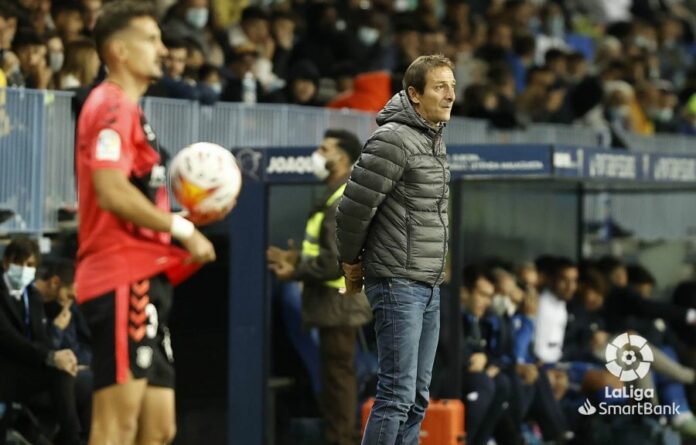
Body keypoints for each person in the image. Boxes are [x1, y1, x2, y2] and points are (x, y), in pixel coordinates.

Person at [74, 2, 226, 444]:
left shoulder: (133, 111)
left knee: (159, 430)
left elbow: (135, 199)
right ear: (119, 50)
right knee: (114, 426)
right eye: (151, 39)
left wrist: (191, 219)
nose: (162, 49)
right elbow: (109, 188)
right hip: (123, 278)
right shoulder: (110, 104)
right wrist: (182, 230)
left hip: (149, 278)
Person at [336, 54, 455, 444]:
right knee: (396, 396)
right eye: (440, 86)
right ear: (414, 95)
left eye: (452, 86)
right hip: (397, 282)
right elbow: (353, 209)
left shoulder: (431, 138)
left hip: (428, 284)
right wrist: (351, 264)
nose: (450, 94)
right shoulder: (393, 138)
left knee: (418, 398)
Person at [267, 129, 372, 445]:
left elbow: (333, 262)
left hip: (338, 307)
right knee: (335, 379)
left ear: (340, 158)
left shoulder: (342, 200)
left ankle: (343, 440)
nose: (317, 154)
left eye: (324, 149)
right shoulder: (339, 195)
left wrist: (293, 270)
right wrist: (297, 256)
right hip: (334, 306)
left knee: (338, 382)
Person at [0, 237, 81, 445]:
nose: (25, 270)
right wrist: (51, 357)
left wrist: (61, 357)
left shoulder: (32, 296)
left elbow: (42, 338)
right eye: (20, 264)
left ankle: (73, 438)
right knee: (59, 373)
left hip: (27, 367)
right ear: (6, 262)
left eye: (30, 266)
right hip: (5, 369)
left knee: (66, 373)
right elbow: (9, 340)